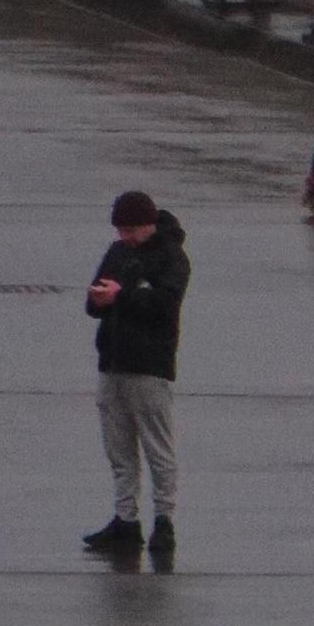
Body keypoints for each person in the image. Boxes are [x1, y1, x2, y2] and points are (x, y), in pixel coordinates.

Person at [81, 191, 189, 557]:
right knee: (119, 449)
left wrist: (121, 296)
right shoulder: (117, 252)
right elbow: (95, 305)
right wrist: (97, 299)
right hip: (112, 363)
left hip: (149, 366)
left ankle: (165, 522)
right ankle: (125, 520)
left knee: (158, 448)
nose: (124, 237)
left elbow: (164, 305)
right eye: (120, 230)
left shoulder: (170, 256)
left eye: (130, 230)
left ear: (149, 224)